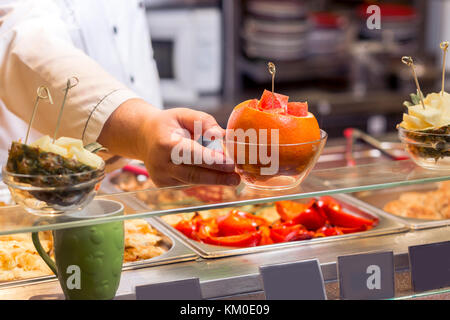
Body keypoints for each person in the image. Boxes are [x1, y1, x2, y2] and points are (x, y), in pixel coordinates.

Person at [0, 0, 240, 187]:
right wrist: (141, 131)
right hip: (38, 190)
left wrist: (148, 133)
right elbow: (21, 39)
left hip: (139, 175)